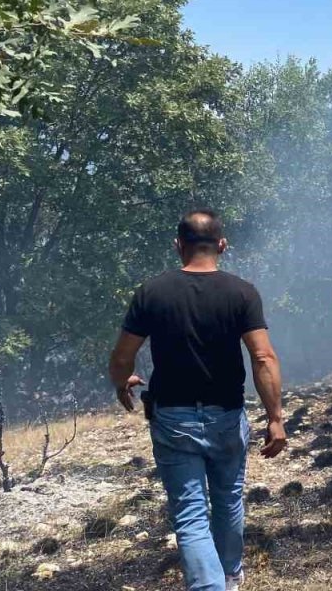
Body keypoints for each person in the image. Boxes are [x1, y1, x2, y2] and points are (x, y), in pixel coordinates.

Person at [108, 208, 286, 591]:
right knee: (228, 500)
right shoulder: (242, 292)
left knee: (190, 514)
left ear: (178, 245)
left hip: (173, 418)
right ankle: (230, 576)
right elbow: (263, 357)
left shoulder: (152, 292)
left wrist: (122, 383)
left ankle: (211, 584)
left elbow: (122, 357)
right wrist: (275, 417)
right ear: (222, 245)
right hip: (227, 416)